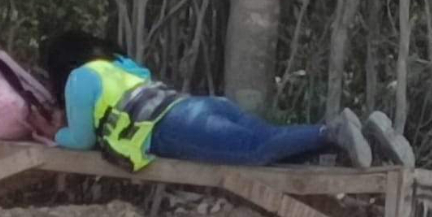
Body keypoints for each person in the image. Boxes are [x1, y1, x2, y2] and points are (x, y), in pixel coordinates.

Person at [33, 29, 383, 172]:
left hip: (170, 126)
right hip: (200, 107)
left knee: (256, 151)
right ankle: (364, 134)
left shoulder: (80, 78)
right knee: (267, 145)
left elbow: (80, 141)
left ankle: (332, 132)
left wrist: (55, 135)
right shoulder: (119, 65)